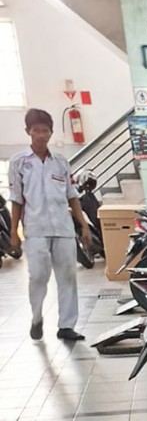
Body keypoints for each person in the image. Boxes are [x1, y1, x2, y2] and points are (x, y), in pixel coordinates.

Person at [8, 108, 93, 341]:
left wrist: (84, 225)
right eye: (36, 130)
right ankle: (36, 317)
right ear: (28, 131)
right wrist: (14, 232)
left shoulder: (61, 162)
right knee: (38, 275)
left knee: (68, 276)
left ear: (51, 132)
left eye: (45, 131)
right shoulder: (19, 162)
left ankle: (66, 325)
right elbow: (16, 199)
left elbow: (72, 196)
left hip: (63, 229)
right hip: (35, 229)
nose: (41, 135)